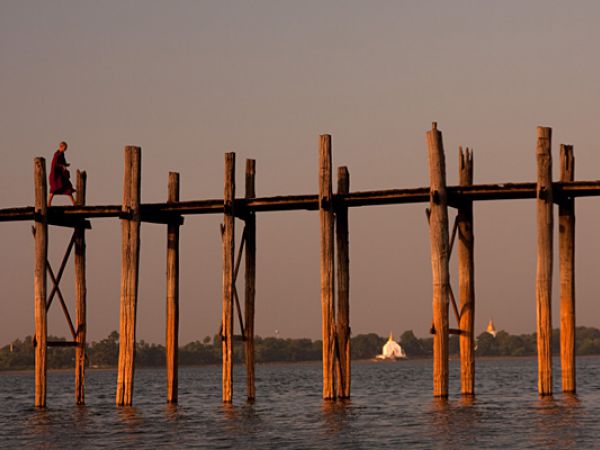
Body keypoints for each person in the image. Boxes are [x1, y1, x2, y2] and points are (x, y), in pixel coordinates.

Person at [48, 141, 76, 206]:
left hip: (61, 176)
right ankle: (49, 203)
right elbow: (55, 164)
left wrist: (66, 164)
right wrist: (62, 166)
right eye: (65, 148)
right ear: (61, 147)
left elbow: (62, 162)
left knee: (67, 187)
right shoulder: (57, 154)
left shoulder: (62, 154)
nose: (65, 149)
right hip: (56, 176)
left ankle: (74, 202)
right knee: (53, 189)